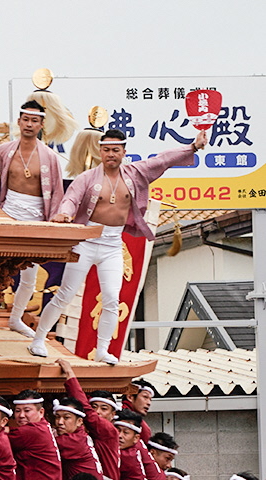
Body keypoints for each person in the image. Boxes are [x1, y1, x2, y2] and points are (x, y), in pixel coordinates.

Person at [31, 127, 208, 364]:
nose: (110, 154)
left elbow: (163, 161)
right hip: (85, 242)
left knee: (112, 299)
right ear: (100, 151)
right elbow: (71, 199)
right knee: (65, 294)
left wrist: (193, 147)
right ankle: (38, 340)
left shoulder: (135, 174)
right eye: (106, 150)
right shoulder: (87, 178)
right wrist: (64, 214)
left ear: (124, 152)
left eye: (115, 150)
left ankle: (103, 349)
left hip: (113, 245)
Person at [0, 100, 64, 337]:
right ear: (19, 122)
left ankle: (16, 317)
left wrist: (57, 219)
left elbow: (58, 193)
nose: (29, 124)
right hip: (8, 213)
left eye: (34, 120)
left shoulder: (50, 157)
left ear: (41, 125)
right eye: (25, 120)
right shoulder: (6, 150)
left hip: (35, 218)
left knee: (29, 276)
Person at [57, 359, 120, 480]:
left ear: (112, 415)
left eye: (104, 409)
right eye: (94, 407)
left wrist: (70, 374)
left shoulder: (109, 431)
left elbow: (87, 412)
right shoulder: (83, 432)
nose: (97, 412)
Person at [8, 391, 64, 480]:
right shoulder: (42, 427)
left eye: (27, 411)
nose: (21, 415)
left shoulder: (32, 431)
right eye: (17, 411)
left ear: (41, 412)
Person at [123, 377, 155, 443]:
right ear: (130, 397)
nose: (149, 403)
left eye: (150, 399)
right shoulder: (120, 416)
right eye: (145, 397)